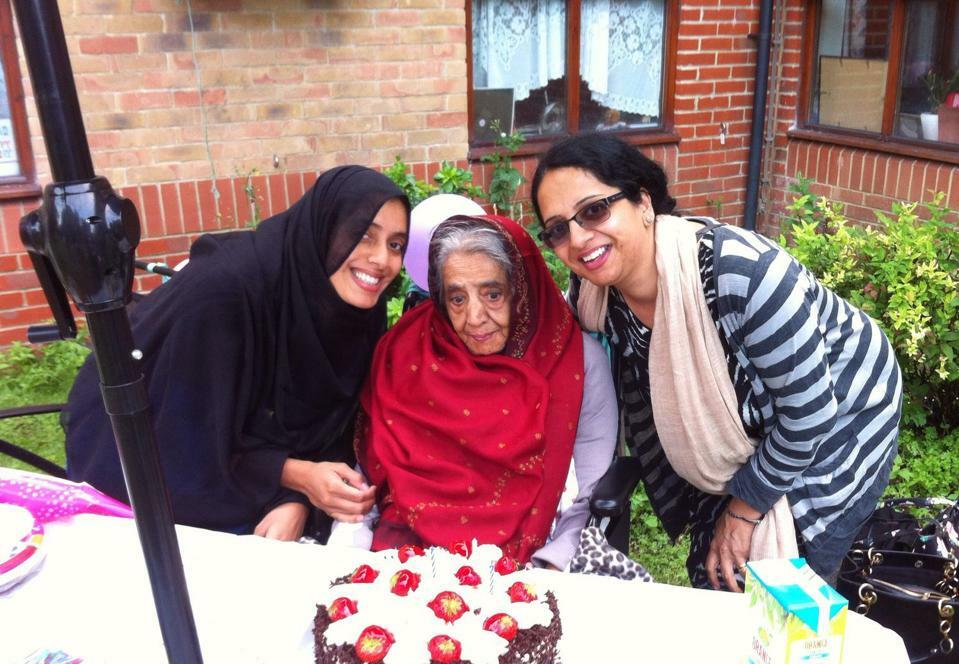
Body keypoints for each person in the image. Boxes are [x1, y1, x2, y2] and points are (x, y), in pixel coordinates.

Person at [531, 133, 902, 590]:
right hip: (742, 439)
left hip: (841, 415)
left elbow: (810, 414)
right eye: (557, 229)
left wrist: (743, 513)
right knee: (715, 571)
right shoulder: (594, 298)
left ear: (643, 202)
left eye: (593, 210)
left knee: (784, 580)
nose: (579, 238)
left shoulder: (744, 276)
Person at [63, 166, 410, 541]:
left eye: (395, 245)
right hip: (140, 463)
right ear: (324, 229)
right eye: (363, 236)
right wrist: (294, 481)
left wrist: (298, 497)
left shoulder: (359, 310)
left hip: (245, 474)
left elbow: (332, 426)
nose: (381, 260)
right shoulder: (226, 291)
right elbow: (187, 440)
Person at [349, 215, 617, 569]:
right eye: (457, 299)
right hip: (404, 559)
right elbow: (366, 480)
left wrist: (551, 567)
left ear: (522, 289)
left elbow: (591, 493)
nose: (474, 318)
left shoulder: (577, 362)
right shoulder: (408, 352)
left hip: (530, 564)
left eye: (493, 295)